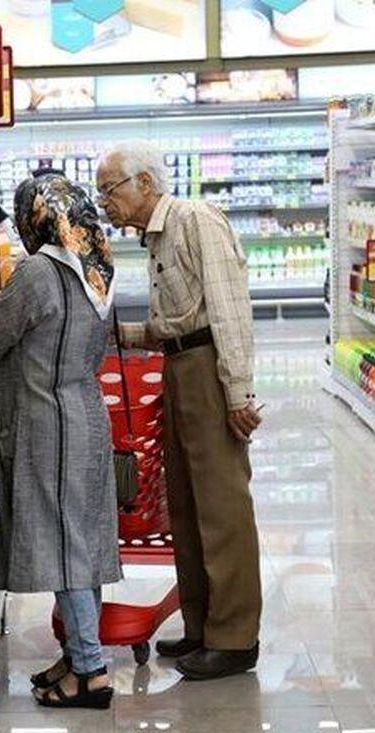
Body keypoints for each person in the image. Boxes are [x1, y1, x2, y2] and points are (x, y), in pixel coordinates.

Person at [96, 140, 264, 681]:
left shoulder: (196, 221)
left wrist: (238, 393)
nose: (104, 203)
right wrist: (119, 335)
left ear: (145, 183)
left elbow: (229, 311)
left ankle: (234, 639)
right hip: (177, 367)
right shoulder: (155, 238)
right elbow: (174, 322)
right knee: (186, 506)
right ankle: (202, 625)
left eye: (110, 190)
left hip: (208, 371)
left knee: (222, 506)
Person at [0, 173, 122, 709]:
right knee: (83, 543)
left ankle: (91, 672)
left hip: (47, 424)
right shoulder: (98, 268)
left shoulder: (36, 272)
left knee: (64, 549)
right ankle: (78, 655)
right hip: (86, 415)